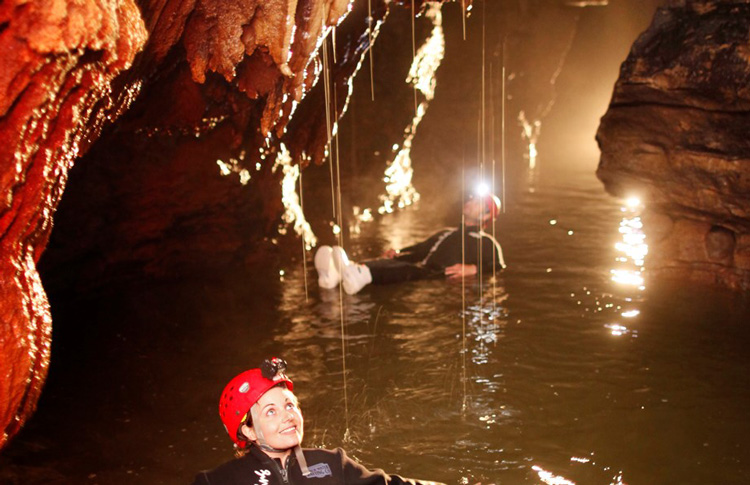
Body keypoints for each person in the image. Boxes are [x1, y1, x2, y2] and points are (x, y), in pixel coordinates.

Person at [192, 358, 444, 485]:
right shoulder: (216, 481)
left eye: (290, 405)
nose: (288, 416)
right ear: (247, 431)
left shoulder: (332, 462)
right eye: (270, 411)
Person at [314, 193, 506, 295]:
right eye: (472, 198)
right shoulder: (447, 232)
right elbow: (421, 249)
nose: (470, 200)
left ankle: (357, 274)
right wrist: (398, 252)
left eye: (478, 201)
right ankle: (337, 275)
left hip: (434, 274)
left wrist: (473, 269)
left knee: (408, 270)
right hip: (420, 265)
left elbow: (497, 266)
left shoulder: (486, 243)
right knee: (396, 262)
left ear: (487, 214)